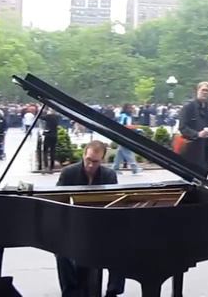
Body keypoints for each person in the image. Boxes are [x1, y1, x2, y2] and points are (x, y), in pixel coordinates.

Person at [55, 140, 126, 297]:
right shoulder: (69, 173)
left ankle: (113, 291)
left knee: (122, 246)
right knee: (61, 251)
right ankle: (71, 292)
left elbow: (113, 205)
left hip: (100, 228)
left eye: (96, 162)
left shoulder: (109, 175)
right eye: (88, 160)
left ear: (102, 160)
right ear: (83, 155)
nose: (91, 165)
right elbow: (57, 202)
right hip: (72, 226)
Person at [178, 82, 208, 169]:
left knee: (203, 175)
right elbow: (182, 127)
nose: (205, 92)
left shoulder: (207, 108)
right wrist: (197, 134)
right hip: (192, 151)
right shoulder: (188, 107)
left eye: (207, 91)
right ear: (197, 91)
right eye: (203, 90)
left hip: (206, 151)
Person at [112, 104, 141, 175]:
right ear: (126, 109)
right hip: (124, 136)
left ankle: (115, 168)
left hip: (123, 135)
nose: (132, 109)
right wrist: (135, 129)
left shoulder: (126, 116)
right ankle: (135, 168)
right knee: (128, 151)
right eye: (130, 108)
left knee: (120, 152)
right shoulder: (124, 116)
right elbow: (122, 126)